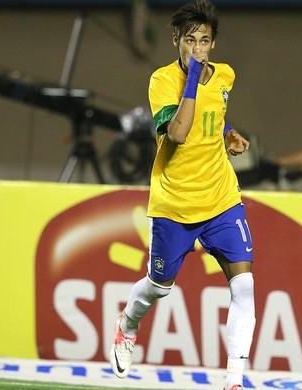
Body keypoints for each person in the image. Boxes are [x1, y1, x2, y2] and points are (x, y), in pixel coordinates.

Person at [109, 2, 256, 389]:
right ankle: (127, 324)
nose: (198, 48)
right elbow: (176, 134)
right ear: (176, 40)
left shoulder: (225, 76)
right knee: (159, 285)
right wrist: (192, 77)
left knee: (244, 285)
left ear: (214, 42)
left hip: (221, 198)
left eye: (204, 40)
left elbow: (210, 119)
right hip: (175, 203)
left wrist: (228, 136)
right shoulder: (162, 81)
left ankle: (234, 380)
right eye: (190, 40)